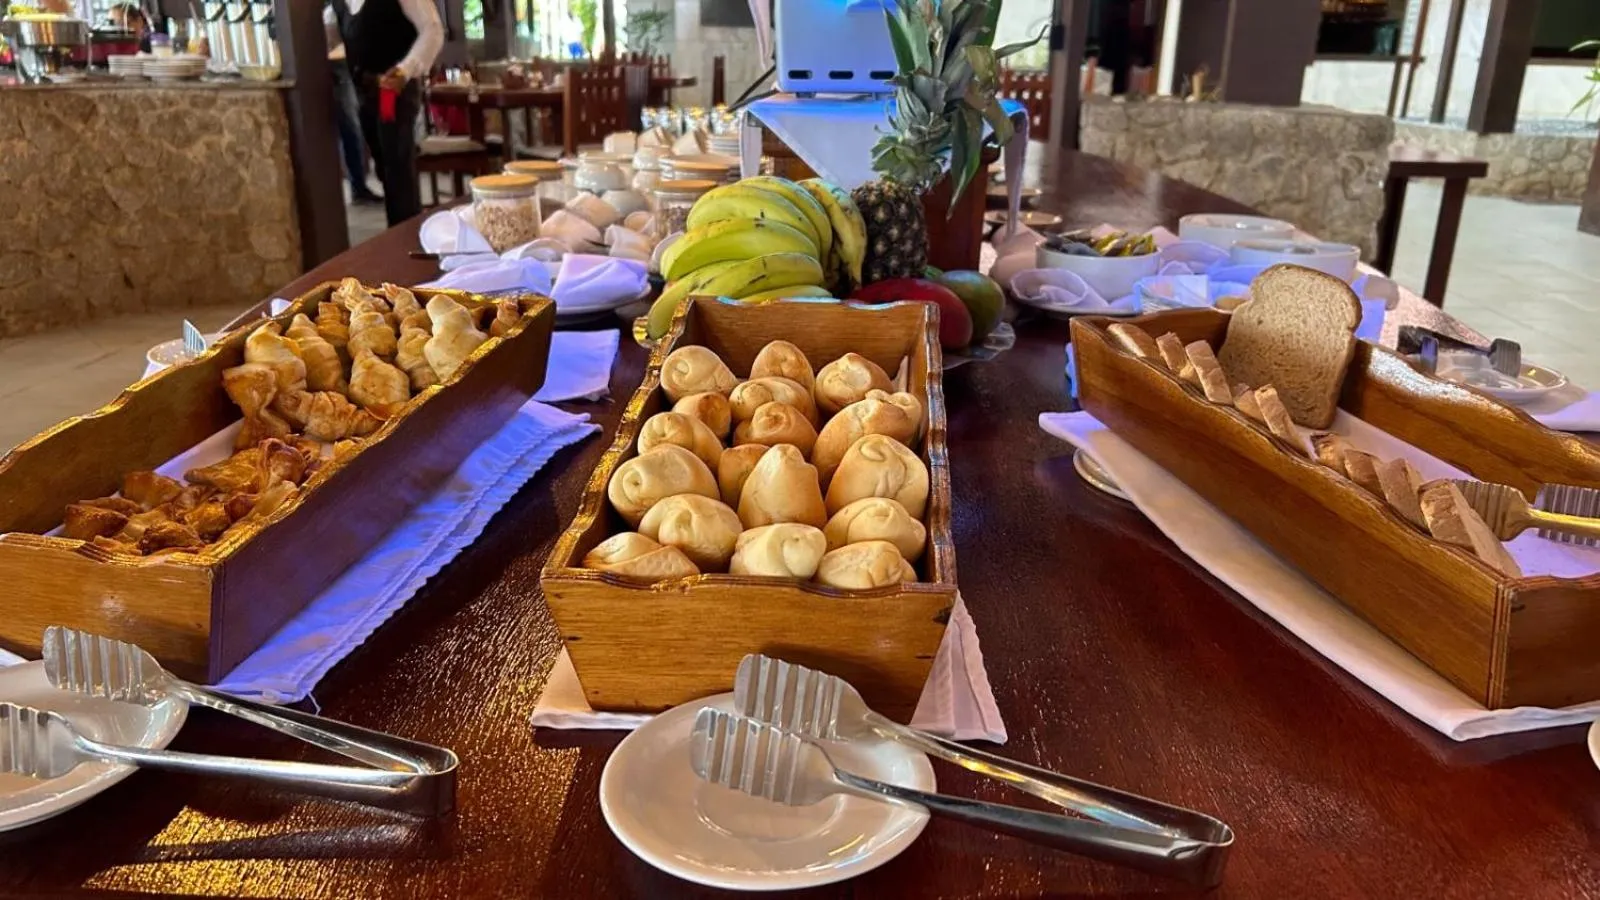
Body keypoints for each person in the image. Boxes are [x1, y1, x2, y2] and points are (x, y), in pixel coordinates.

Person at [326, 0, 443, 226]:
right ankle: (399, 233)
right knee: (384, 167)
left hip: (393, 91)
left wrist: (405, 70)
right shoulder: (338, 5)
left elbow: (432, 29)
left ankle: (407, 236)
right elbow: (332, 34)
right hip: (363, 92)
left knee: (398, 167)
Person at [324, 6, 383, 205]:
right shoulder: (331, 8)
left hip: (353, 66)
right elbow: (333, 40)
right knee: (351, 128)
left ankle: (360, 185)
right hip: (338, 65)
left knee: (358, 127)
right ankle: (358, 186)